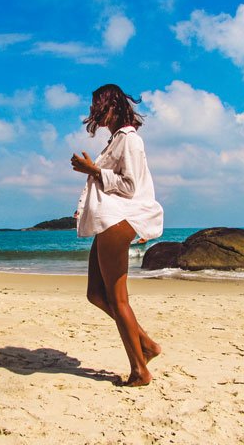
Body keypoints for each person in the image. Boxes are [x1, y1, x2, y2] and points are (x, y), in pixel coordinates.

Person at [71, 84, 164, 386]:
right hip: (109, 220)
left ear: (112, 106)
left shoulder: (130, 140)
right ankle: (146, 345)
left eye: (97, 105)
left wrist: (93, 170)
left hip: (120, 220)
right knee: (95, 294)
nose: (93, 112)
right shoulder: (115, 141)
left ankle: (140, 370)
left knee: (118, 300)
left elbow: (129, 186)